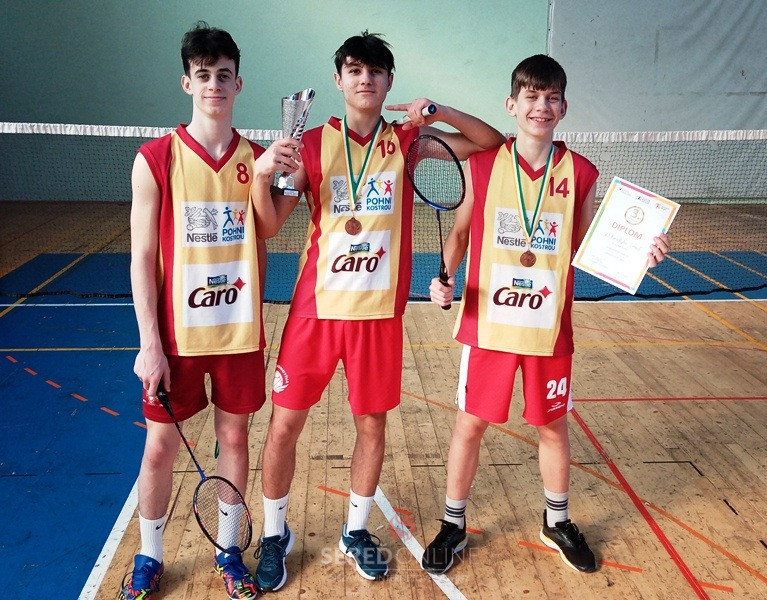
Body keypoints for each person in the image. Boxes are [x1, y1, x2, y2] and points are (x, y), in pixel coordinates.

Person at [250, 31, 506, 591]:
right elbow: (268, 225)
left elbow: (489, 143)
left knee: (372, 426)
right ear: (339, 80)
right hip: (315, 312)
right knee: (285, 424)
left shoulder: (409, 142)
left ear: (390, 81)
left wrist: (439, 111)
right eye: (354, 70)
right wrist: (266, 173)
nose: (365, 79)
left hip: (379, 316)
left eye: (376, 71)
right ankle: (273, 534)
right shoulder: (310, 145)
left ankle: (355, 530)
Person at [422, 54, 670, 575]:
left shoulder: (581, 172)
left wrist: (639, 253)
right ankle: (452, 523)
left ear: (564, 107)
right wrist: (444, 278)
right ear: (512, 105)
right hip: (489, 324)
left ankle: (556, 521)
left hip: (548, 326)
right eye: (531, 97)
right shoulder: (483, 165)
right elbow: (460, 234)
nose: (542, 106)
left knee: (553, 426)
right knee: (470, 425)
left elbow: (587, 247)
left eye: (552, 98)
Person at [121, 21, 301, 600]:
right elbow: (141, 257)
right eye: (204, 75)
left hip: (239, 331)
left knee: (235, 441)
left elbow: (267, 228)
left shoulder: (256, 158)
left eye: (224, 75)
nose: (214, 85)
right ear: (187, 83)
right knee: (159, 446)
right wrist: (149, 343)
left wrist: (277, 178)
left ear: (239, 83)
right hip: (177, 336)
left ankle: (229, 551)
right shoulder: (154, 159)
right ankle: (149, 556)